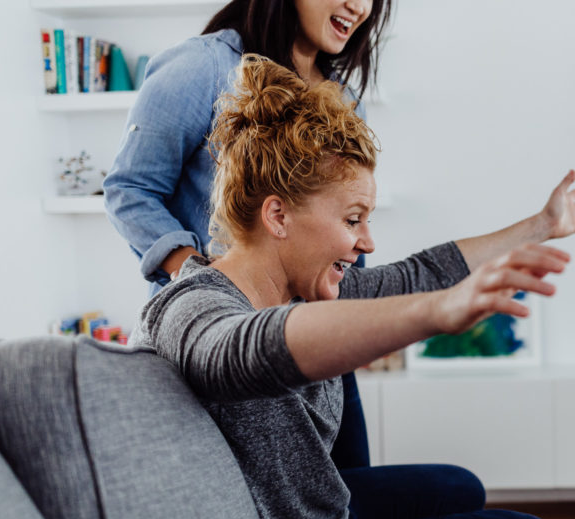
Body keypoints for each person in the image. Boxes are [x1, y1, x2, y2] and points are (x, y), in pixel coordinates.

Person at [129, 54, 575, 519]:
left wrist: (540, 225)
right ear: (277, 215)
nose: (367, 241)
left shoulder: (304, 292)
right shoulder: (192, 306)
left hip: (314, 511)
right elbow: (241, 351)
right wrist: (436, 313)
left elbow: (418, 273)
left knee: (461, 486)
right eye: (353, 219)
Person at [104, 0, 392, 470]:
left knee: (345, 502)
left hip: (320, 341)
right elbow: (129, 190)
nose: (358, 6)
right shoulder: (202, 68)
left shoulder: (341, 96)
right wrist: (202, 280)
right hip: (232, 345)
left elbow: (341, 218)